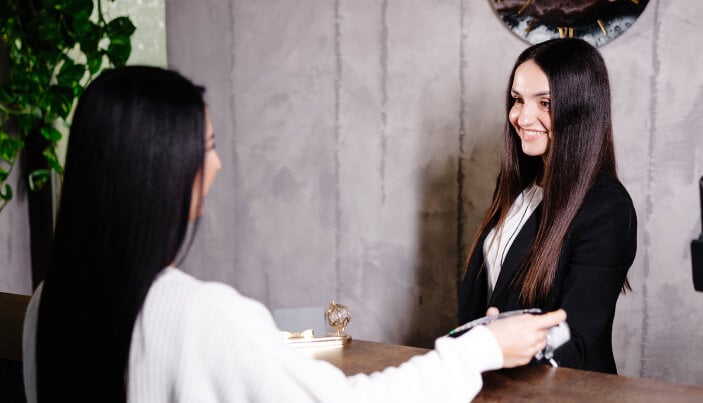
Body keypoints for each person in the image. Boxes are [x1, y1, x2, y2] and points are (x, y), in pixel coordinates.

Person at [21, 66, 566, 402]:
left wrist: (274, 337)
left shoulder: (47, 302)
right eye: (207, 147)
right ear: (164, 170)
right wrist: (479, 351)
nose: (215, 168)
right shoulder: (198, 315)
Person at [458, 38, 637, 375]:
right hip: (491, 383)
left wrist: (486, 350)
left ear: (581, 109)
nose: (522, 116)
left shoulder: (608, 210)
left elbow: (576, 339)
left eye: (545, 103)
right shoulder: (518, 185)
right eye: (517, 100)